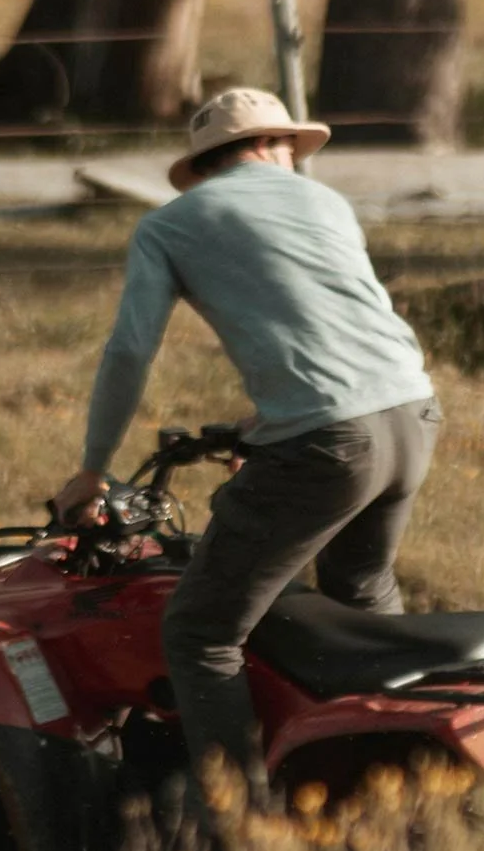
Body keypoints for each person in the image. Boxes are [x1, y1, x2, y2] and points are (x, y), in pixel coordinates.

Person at [55, 85, 439, 800]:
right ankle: (386, 789)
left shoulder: (172, 225)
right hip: (414, 415)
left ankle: (238, 833)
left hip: (329, 445)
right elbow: (348, 326)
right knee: (361, 600)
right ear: (280, 147)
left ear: (206, 166)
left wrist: (93, 471)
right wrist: (267, 426)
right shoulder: (327, 205)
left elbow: (130, 351)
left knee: (200, 633)